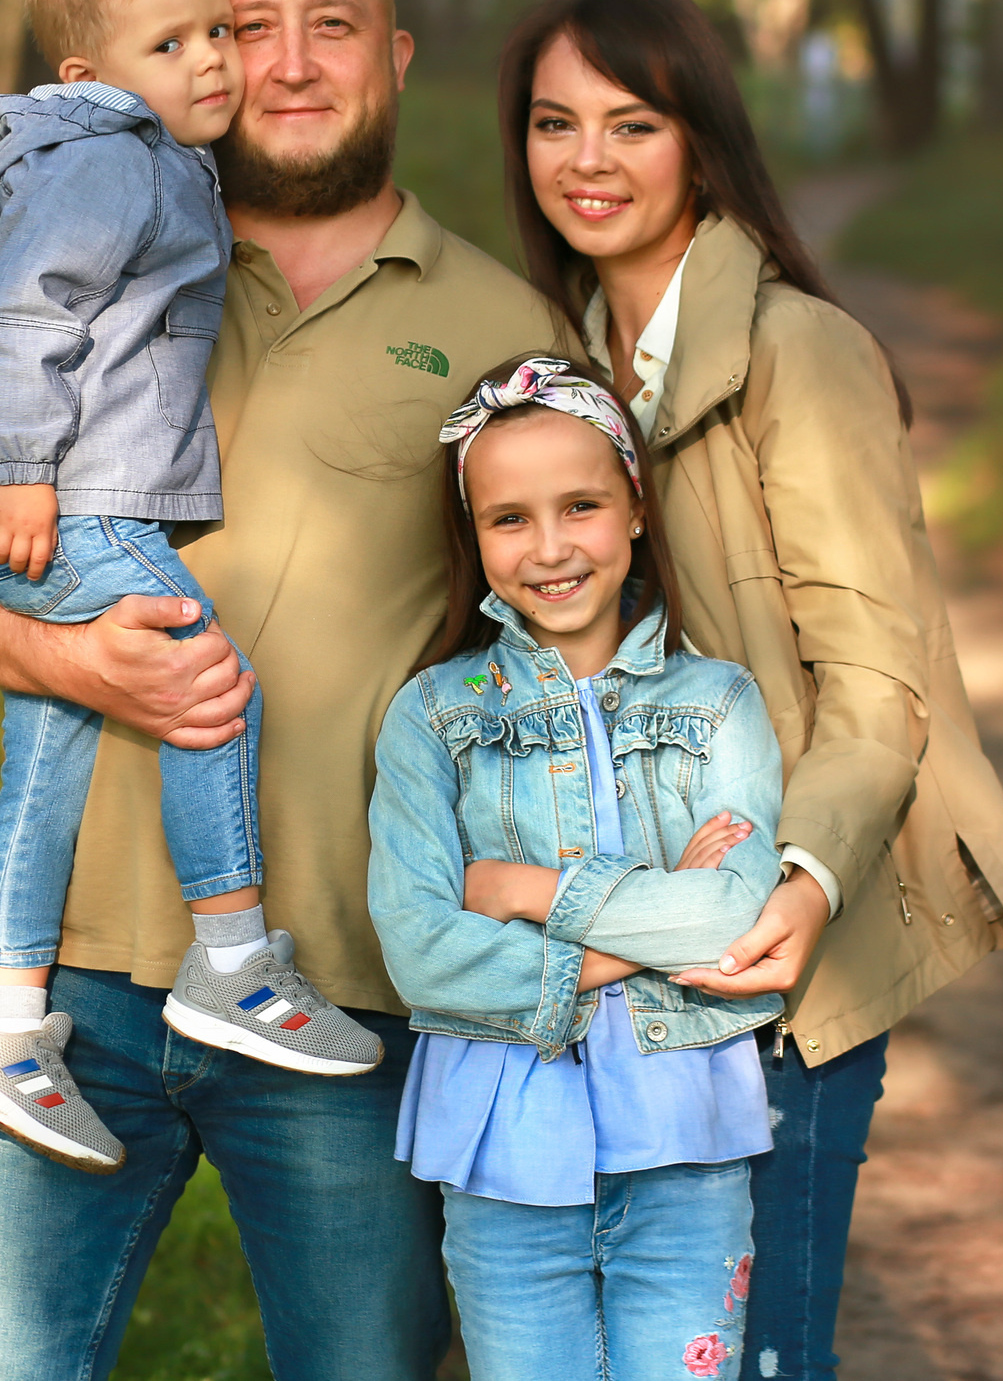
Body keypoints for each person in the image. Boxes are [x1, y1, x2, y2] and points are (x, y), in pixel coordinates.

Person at [0, 0, 572, 1379]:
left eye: (334, 23)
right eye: (250, 26)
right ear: (184, 53)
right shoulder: (101, 251)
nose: (292, 61)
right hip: (68, 988)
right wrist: (72, 662)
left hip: (350, 992)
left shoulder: (510, 330)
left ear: (396, 54)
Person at [494, 0, 1003, 1380]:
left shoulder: (800, 354)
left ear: (700, 138)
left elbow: (880, 683)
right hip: (615, 952)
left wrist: (799, 892)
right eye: (555, 123)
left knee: (747, 1353)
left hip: (775, 958)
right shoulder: (562, 371)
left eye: (630, 124)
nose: (587, 161)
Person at [0, 0, 381, 1183]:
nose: (216, 62)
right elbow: (20, 317)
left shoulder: (144, 151)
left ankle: (4, 1022)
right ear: (90, 77)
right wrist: (21, 476)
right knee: (203, 683)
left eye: (215, 32)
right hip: (75, 509)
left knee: (48, 756)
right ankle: (230, 958)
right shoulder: (113, 159)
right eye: (172, 45)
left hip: (70, 502)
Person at [368, 356, 781, 1381]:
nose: (548, 548)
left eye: (581, 505)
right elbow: (421, 952)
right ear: (472, 537)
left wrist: (524, 895)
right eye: (507, 519)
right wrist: (638, 930)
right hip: (501, 1153)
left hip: (685, 1138)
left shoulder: (718, 705)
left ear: (634, 508)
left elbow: (736, 915)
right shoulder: (433, 717)